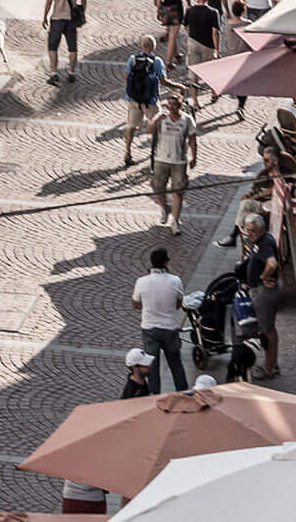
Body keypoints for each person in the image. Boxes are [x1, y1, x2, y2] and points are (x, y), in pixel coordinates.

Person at [132, 247, 190, 393]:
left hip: (149, 329)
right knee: (176, 365)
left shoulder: (141, 282)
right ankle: (183, 394)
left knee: (151, 367)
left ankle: (155, 398)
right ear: (166, 263)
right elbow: (178, 304)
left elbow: (136, 304)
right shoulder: (175, 281)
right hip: (170, 328)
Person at [235, 208, 284, 382]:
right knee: (268, 328)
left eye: (252, 231)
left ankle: (270, 368)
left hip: (264, 293)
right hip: (261, 291)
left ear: (261, 230)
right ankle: (272, 363)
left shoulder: (264, 244)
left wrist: (263, 277)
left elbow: (272, 263)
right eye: (248, 230)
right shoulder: (264, 239)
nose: (249, 234)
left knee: (267, 330)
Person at [148, 91, 199, 229]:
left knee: (178, 191)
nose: (171, 107)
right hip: (161, 159)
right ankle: (164, 208)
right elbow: (149, 130)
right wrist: (156, 121)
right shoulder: (161, 117)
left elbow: (192, 138)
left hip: (179, 161)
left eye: (174, 104)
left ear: (180, 106)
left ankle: (175, 221)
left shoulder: (187, 119)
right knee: (157, 188)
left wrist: (194, 156)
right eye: (169, 104)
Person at [123, 35, 167, 167]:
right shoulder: (157, 61)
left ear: (142, 46)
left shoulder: (133, 59)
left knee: (131, 126)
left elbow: (126, 76)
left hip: (134, 99)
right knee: (159, 125)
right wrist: (179, 86)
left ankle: (127, 152)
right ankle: (157, 151)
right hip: (151, 101)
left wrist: (133, 90)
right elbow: (164, 81)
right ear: (154, 47)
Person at [42, 0, 86, 86]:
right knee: (72, 48)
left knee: (53, 46)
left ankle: (54, 73)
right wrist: (81, 12)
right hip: (71, 19)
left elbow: (50, 1)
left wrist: (44, 16)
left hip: (57, 18)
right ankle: (72, 73)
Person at [183, 0, 223, 106]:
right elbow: (215, 32)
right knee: (210, 71)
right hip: (208, 46)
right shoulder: (213, 12)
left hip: (193, 43)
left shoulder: (190, 10)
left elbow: (185, 26)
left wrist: (192, 35)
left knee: (193, 75)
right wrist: (217, 49)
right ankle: (214, 93)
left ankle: (195, 101)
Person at [155, 0, 186, 70]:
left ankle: (177, 55)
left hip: (166, 9)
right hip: (176, 10)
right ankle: (168, 62)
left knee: (173, 33)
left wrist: (158, 10)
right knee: (173, 36)